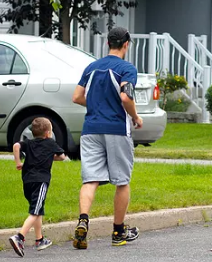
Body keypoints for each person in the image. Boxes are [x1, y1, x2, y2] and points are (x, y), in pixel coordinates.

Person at [71, 26, 144, 249]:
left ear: (107, 44)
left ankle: (83, 220)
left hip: (91, 129)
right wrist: (136, 117)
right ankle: (118, 232)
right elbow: (126, 97)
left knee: (90, 179)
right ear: (126, 44)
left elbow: (76, 97)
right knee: (122, 181)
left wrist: (96, 104)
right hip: (116, 129)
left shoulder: (92, 67)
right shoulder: (127, 68)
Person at [8, 117, 67, 257]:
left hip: (27, 181)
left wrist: (18, 162)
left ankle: (39, 240)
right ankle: (19, 237)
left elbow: (16, 146)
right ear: (47, 133)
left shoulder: (28, 143)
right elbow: (62, 156)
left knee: (38, 209)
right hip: (41, 181)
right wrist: (50, 157)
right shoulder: (50, 143)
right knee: (35, 211)